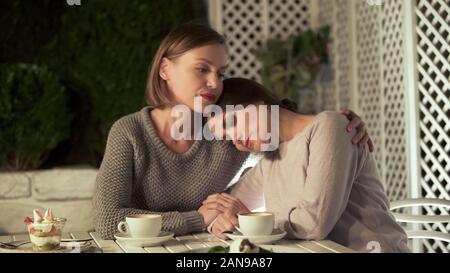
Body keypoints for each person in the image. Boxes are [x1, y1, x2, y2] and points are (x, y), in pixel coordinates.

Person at [92, 22, 373, 240]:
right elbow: (106, 221)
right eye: (202, 69)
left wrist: (341, 121)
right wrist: (197, 219)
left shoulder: (226, 132)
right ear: (165, 69)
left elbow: (283, 129)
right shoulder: (130, 132)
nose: (214, 83)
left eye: (221, 73)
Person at [205, 78, 410, 252]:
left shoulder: (331, 126)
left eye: (230, 123)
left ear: (256, 100)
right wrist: (219, 223)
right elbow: (223, 207)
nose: (236, 140)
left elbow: (313, 224)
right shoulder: (270, 160)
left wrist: (248, 220)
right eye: (228, 139)